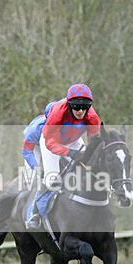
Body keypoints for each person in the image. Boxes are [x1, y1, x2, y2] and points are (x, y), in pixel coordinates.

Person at [26, 84, 101, 230]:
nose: (80, 111)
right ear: (68, 104)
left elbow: (94, 143)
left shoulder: (92, 116)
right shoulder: (58, 113)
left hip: (73, 140)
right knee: (52, 178)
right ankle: (34, 213)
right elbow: (50, 142)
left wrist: (88, 158)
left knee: (88, 169)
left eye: (84, 106)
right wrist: (68, 153)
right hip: (51, 141)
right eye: (76, 106)